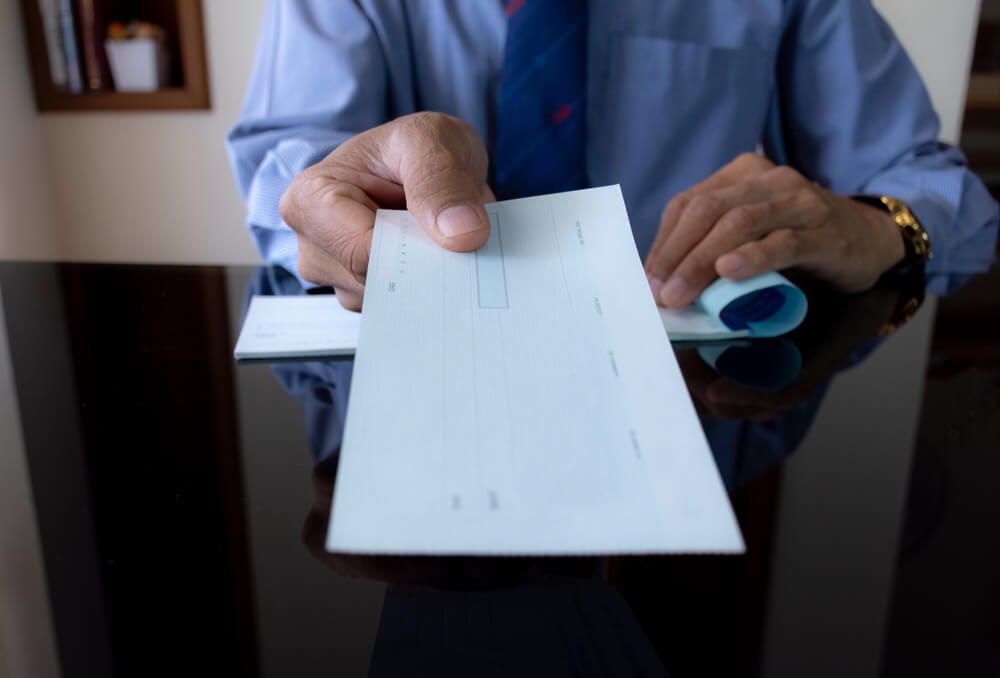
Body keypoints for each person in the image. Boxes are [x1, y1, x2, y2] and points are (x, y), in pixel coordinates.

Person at [227, 1, 999, 312]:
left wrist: (869, 228)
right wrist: (333, 202)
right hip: (410, 363)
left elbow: (935, 189)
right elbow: (285, 163)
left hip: (704, 382)